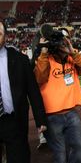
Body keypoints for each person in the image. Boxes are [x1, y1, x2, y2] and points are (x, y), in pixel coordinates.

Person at [33, 26, 81, 163]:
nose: (64, 43)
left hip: (72, 112)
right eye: (61, 41)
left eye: (66, 40)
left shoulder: (73, 57)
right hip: (52, 116)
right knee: (60, 154)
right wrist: (44, 52)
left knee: (80, 148)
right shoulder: (45, 59)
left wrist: (73, 53)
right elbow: (40, 79)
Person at [0, 20, 47, 163]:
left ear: (6, 36)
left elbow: (32, 91)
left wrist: (40, 119)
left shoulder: (20, 60)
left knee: (19, 158)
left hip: (14, 121)